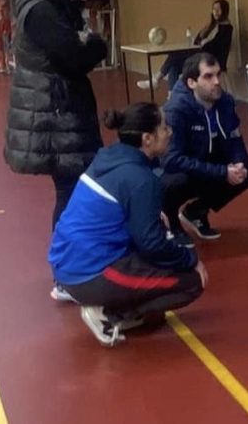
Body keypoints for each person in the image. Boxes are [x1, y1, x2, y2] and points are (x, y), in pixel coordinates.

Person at [49, 103, 206, 347]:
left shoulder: (107, 158)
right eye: (164, 128)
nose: (170, 132)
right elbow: (151, 244)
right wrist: (190, 258)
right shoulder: (141, 179)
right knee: (192, 282)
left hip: (65, 265)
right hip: (90, 272)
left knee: (155, 315)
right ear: (147, 139)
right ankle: (108, 314)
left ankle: (118, 308)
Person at [4, 0, 107, 304]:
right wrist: (96, 45)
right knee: (69, 191)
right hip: (54, 114)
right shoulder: (41, 11)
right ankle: (65, 275)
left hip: (60, 111)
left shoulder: (53, 3)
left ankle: (72, 268)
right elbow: (74, 56)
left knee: (73, 190)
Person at [160, 52, 248, 239]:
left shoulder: (225, 102)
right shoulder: (176, 110)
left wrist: (238, 163)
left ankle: (196, 211)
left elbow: (235, 137)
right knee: (177, 181)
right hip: (179, 170)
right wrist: (222, 172)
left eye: (218, 74)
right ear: (192, 82)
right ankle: (171, 221)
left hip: (205, 163)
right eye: (208, 76)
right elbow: (171, 160)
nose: (216, 82)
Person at [137, 0, 234, 91]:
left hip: (209, 59)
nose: (215, 12)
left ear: (224, 11)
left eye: (218, 9)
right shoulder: (211, 26)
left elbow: (214, 47)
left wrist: (203, 43)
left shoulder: (226, 28)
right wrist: (203, 35)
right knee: (173, 66)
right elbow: (197, 41)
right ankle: (171, 97)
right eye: (214, 9)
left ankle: (156, 79)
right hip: (199, 56)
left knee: (174, 55)